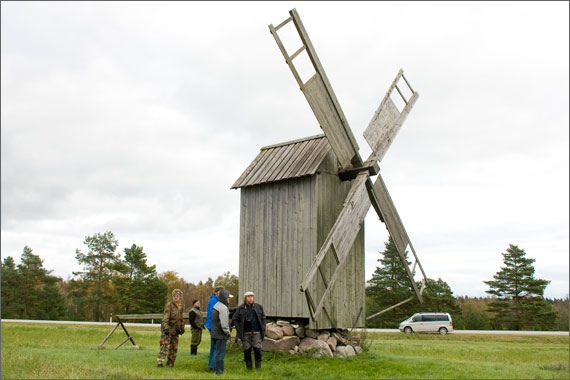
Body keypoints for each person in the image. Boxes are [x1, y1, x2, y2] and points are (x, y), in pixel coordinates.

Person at [231, 291, 266, 370]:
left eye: (252, 296)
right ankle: (249, 369)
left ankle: (258, 369)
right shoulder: (241, 308)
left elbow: (263, 318)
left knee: (258, 351)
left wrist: (263, 328)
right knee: (247, 352)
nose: (251, 298)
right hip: (246, 333)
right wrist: (239, 329)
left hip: (257, 333)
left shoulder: (258, 307)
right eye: (249, 297)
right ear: (245, 298)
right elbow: (235, 319)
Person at [157, 289, 185, 367]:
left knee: (174, 347)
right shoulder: (169, 305)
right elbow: (165, 317)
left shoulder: (181, 306)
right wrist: (165, 328)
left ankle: (170, 363)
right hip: (168, 328)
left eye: (177, 296)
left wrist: (182, 328)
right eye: (174, 296)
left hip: (176, 330)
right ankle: (160, 362)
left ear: (180, 297)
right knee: (164, 345)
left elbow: (181, 318)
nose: (176, 298)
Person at [210, 289, 232, 375]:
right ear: (224, 297)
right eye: (228, 297)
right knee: (220, 354)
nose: (229, 299)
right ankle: (219, 372)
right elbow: (224, 324)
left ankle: (216, 370)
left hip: (215, 334)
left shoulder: (216, 305)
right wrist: (228, 332)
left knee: (217, 352)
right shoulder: (223, 308)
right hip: (220, 335)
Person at [205, 285, 224, 370]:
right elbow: (214, 314)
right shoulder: (214, 301)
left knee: (214, 346)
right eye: (220, 292)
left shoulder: (214, 300)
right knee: (216, 346)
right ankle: (213, 365)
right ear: (216, 292)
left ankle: (211, 365)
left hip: (212, 325)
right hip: (213, 326)